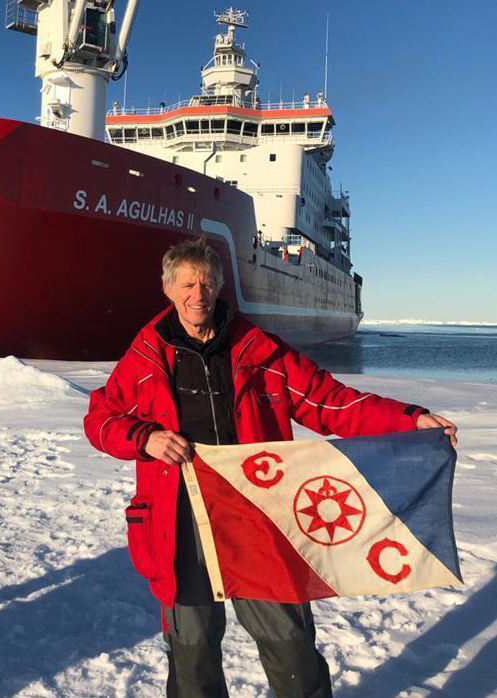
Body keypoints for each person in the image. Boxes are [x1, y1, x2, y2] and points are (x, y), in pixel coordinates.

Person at [84, 237, 457, 698]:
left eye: (206, 282)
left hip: (259, 516)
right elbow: (100, 421)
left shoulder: (260, 353)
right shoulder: (145, 357)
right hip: (182, 521)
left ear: (220, 286)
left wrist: (410, 419)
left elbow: (331, 403)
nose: (196, 294)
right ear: (167, 289)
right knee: (192, 651)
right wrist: (145, 438)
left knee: (289, 642)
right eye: (186, 284)